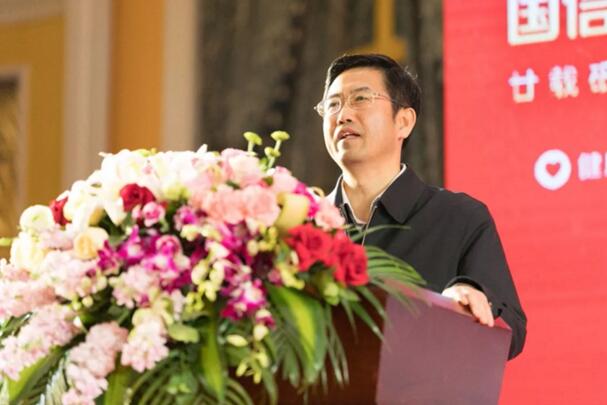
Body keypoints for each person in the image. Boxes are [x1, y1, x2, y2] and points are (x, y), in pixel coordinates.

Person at [318, 53, 526, 359]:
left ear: (403, 121)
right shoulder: (298, 225)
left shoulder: (460, 218)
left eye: (360, 99)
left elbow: (512, 329)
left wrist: (471, 299)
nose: (343, 115)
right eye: (333, 104)